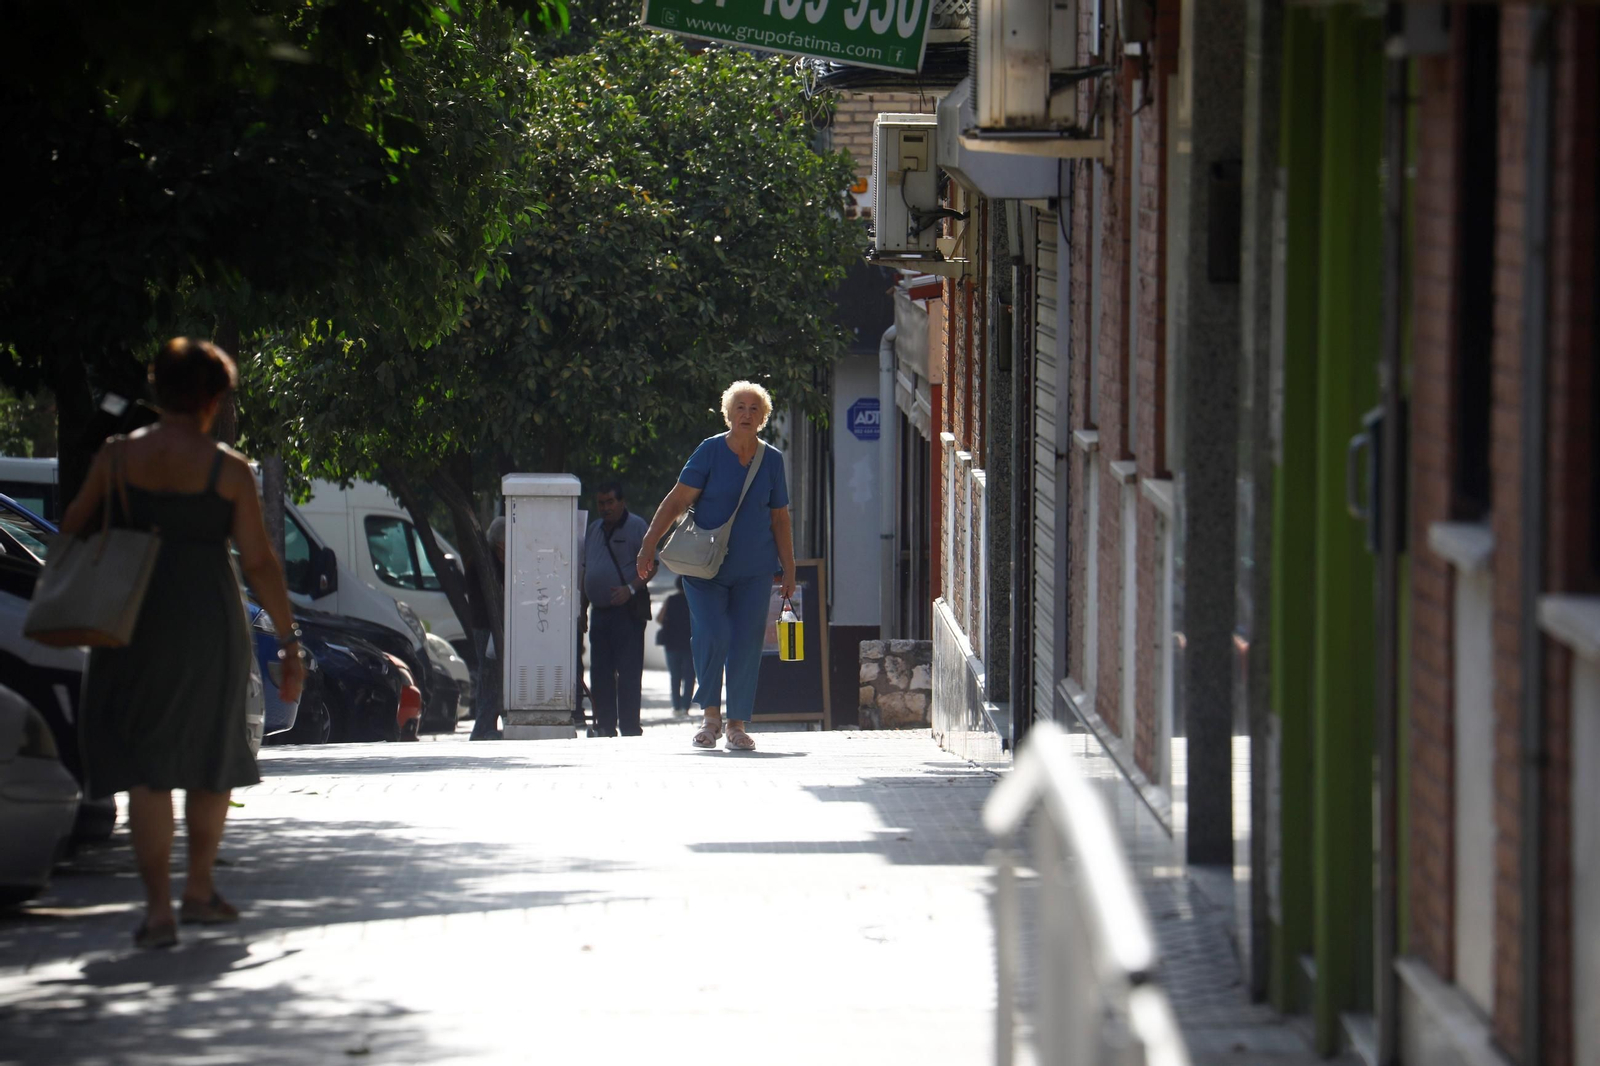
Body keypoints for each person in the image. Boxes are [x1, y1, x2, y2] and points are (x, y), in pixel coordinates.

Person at [60, 338, 306, 950]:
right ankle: (198, 889)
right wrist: (289, 638)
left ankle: (157, 912)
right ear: (214, 398)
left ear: (156, 387)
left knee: (147, 769)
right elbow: (259, 562)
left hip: (132, 615)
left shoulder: (117, 457)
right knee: (207, 754)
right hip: (206, 620)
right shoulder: (229, 469)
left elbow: (72, 528)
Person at [636, 381, 796, 752]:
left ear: (763, 418)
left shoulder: (771, 460)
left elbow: (780, 519)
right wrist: (648, 544)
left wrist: (788, 568)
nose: (746, 414)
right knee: (712, 633)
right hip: (705, 568)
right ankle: (711, 717)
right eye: (740, 407)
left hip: (754, 569)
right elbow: (677, 501)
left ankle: (736, 724)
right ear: (728, 413)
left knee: (745, 641)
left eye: (755, 409)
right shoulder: (709, 451)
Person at [582, 482, 653, 737]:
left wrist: (631, 588)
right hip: (599, 612)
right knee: (600, 671)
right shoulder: (594, 529)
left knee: (629, 672)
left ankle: (630, 727)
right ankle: (605, 725)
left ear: (621, 502)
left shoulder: (636, 526)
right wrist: (583, 609)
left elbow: (651, 564)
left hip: (627, 613)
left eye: (610, 502)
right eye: (601, 503)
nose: (605, 508)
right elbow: (585, 570)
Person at [467, 516, 506, 740]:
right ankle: (482, 727)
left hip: (484, 626)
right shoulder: (486, 563)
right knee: (489, 676)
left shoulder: (483, 559)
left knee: (489, 676)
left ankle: (485, 725)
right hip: (486, 627)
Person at [655, 577, 695, 714]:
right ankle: (686, 706)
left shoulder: (670, 600)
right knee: (690, 676)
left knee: (675, 675)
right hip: (690, 643)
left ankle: (676, 706)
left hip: (671, 643)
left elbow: (659, 618)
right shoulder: (693, 601)